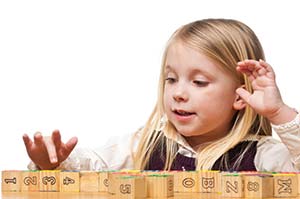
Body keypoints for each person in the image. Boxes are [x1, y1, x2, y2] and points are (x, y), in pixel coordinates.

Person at [23, 18, 300, 172]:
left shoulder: (262, 155)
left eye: (199, 82)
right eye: (171, 79)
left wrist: (278, 113)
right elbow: (91, 163)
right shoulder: (145, 144)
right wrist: (54, 161)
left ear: (240, 95)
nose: (178, 93)